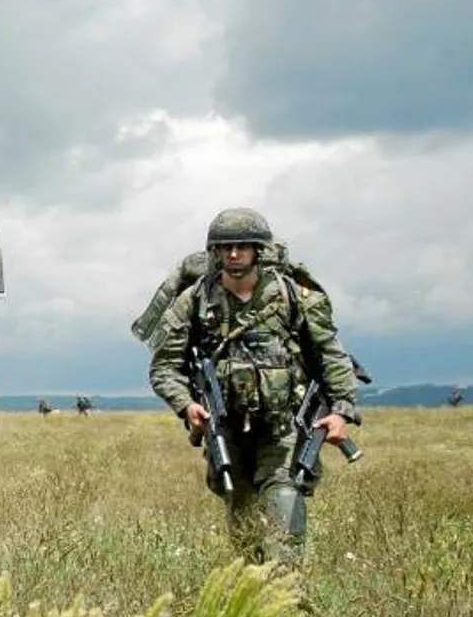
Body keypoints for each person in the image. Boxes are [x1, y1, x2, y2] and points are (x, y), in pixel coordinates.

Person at [147, 208, 360, 569]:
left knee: (283, 498)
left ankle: (288, 593)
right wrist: (187, 406)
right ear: (214, 253)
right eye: (225, 247)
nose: (233, 255)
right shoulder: (194, 302)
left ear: (257, 250)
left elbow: (332, 357)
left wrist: (341, 411)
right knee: (241, 510)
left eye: (242, 246)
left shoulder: (295, 297)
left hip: (283, 424)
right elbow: (165, 367)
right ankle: (252, 593)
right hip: (225, 426)